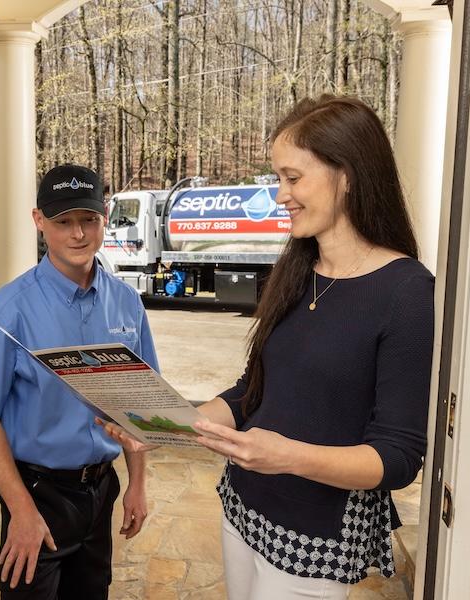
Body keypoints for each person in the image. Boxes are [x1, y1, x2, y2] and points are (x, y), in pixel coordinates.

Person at [102, 95, 434, 599]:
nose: (281, 195)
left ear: (348, 174)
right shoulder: (297, 270)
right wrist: (164, 427)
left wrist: (289, 456)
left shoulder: (406, 292)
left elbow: (398, 457)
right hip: (244, 505)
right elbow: (250, 393)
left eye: (293, 177)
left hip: (316, 536)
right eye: (279, 178)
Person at [0, 164, 156, 600]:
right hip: (38, 496)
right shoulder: (4, 313)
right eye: (63, 222)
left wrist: (137, 483)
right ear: (38, 221)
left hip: (101, 490)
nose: (78, 234)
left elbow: (137, 404)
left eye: (88, 220)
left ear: (104, 218)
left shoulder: (127, 305)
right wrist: (20, 510)